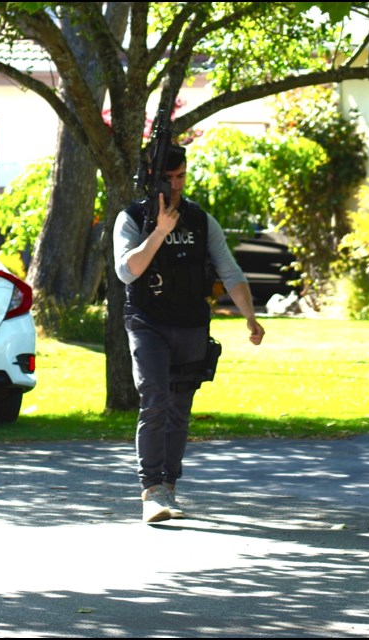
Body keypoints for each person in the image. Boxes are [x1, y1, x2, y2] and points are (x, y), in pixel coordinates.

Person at [113, 143, 265, 524]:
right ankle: (151, 491)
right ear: (152, 177)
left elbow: (229, 271)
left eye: (182, 176)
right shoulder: (132, 218)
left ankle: (169, 487)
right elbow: (126, 271)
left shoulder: (200, 220)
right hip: (148, 320)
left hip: (191, 323)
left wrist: (250, 317)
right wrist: (160, 232)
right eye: (169, 178)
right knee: (155, 398)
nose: (177, 185)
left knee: (180, 408)